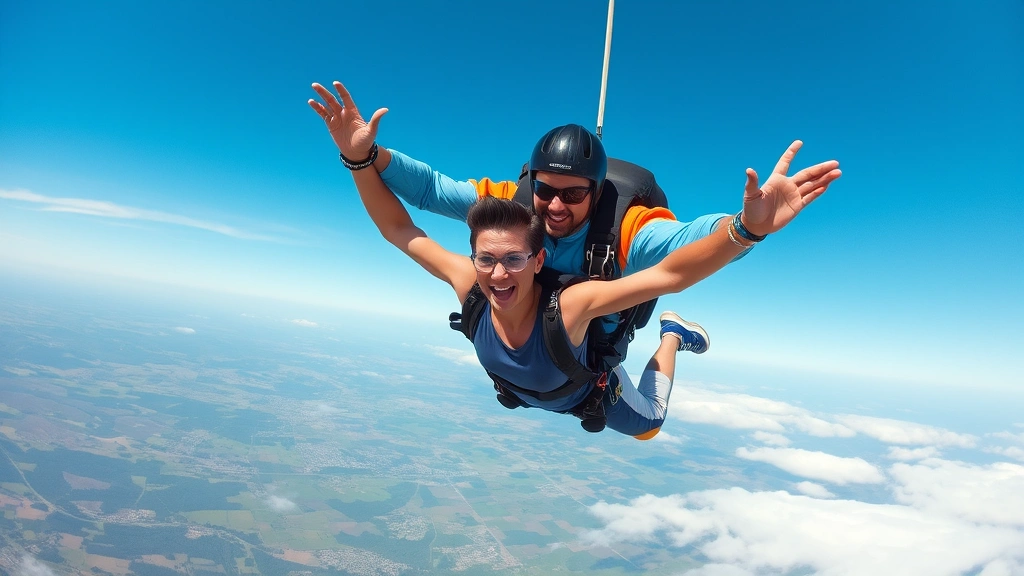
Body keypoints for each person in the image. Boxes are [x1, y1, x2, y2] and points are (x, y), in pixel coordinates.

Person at [309, 82, 839, 439]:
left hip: (590, 375)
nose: (556, 205)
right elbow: (408, 219)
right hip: (538, 382)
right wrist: (363, 157)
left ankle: (674, 336)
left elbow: (675, 263)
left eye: (574, 194)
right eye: (545, 191)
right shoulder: (485, 255)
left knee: (650, 425)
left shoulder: (598, 270)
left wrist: (745, 229)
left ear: (537, 260)